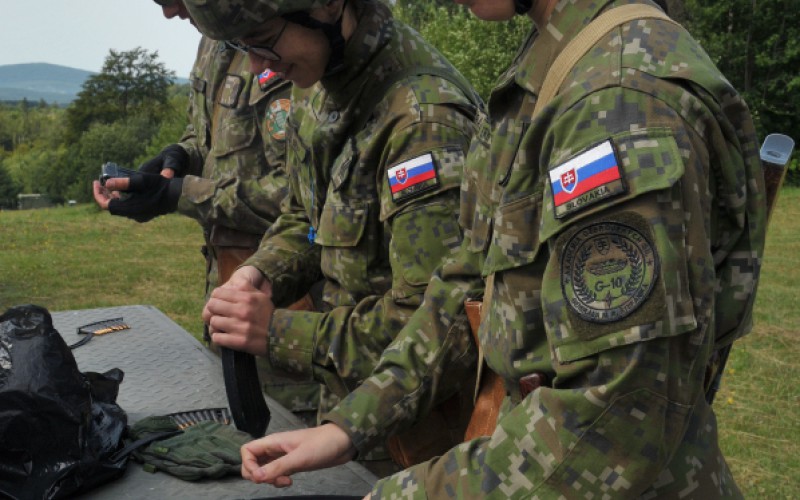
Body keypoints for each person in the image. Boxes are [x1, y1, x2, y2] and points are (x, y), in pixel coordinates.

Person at [235, 0, 767, 498]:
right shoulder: (557, 62)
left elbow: (618, 419)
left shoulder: (618, 99)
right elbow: (471, 283)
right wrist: (348, 427)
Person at [185, 0, 481, 471]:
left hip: (418, 448)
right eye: (242, 47)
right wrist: (260, 274)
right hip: (345, 422)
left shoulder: (422, 125)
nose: (259, 65)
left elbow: (439, 326)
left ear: (326, 7)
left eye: (262, 42)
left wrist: (276, 333)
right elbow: (305, 216)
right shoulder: (318, 83)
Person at [93, 0, 320, 416]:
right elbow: (209, 138)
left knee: (293, 449)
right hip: (226, 290)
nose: (169, 13)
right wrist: (174, 161)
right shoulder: (213, 44)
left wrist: (182, 194)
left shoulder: (294, 44)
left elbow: (305, 200)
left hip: (292, 311)